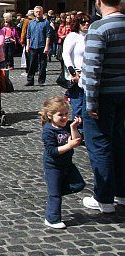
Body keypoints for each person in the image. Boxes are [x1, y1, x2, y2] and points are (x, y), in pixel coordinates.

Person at [80, 0, 125, 213]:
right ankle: (121, 193)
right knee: (120, 142)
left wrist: (90, 103)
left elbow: (92, 70)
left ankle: (104, 198)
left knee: (99, 145)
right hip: (122, 94)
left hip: (103, 95)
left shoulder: (98, 28)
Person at [40, 96, 85, 229]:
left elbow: (77, 140)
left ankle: (55, 193)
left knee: (79, 184)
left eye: (66, 114)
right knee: (55, 195)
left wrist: (74, 127)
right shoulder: (48, 131)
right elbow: (52, 151)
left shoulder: (67, 125)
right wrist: (69, 145)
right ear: (50, 115)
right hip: (53, 166)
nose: (65, 118)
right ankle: (52, 218)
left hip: (67, 163)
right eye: (61, 115)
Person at [61, 13, 90, 135]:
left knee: (86, 105)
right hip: (76, 75)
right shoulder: (73, 36)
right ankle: (77, 131)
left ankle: (85, 130)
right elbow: (66, 54)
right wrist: (72, 72)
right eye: (83, 22)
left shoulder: (89, 36)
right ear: (77, 24)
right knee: (78, 105)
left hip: (88, 74)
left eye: (88, 21)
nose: (87, 24)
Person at [25, 6, 51, 86]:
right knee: (31, 64)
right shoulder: (31, 23)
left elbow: (48, 35)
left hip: (42, 46)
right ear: (34, 13)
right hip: (33, 46)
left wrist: (47, 46)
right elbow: (28, 35)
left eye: (40, 11)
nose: (38, 13)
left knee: (42, 64)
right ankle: (30, 80)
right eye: (37, 12)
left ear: (42, 12)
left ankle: (41, 81)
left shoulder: (46, 22)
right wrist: (27, 45)